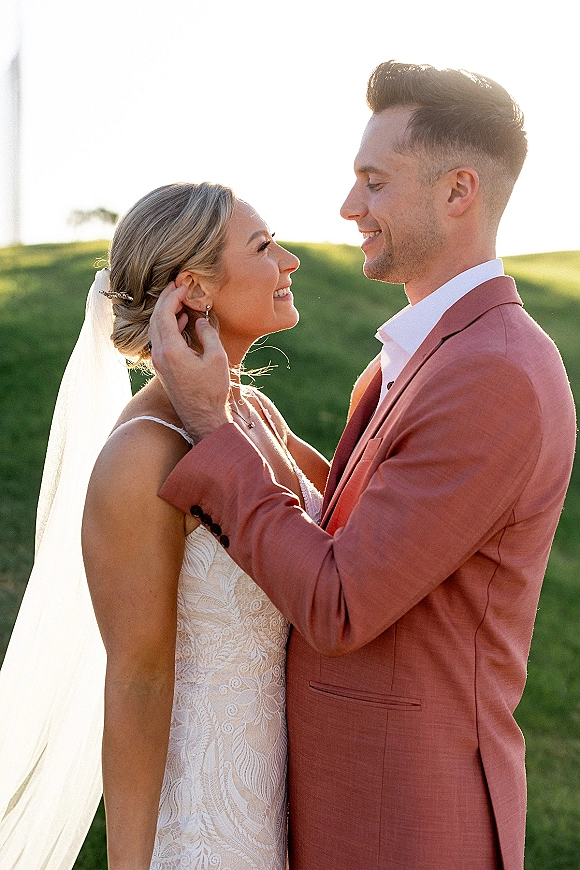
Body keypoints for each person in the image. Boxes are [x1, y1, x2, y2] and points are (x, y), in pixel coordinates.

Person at [148, 62, 577, 870]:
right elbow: (340, 533)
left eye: (373, 183)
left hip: (405, 819)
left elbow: (341, 602)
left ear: (458, 193)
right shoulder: (420, 358)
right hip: (355, 804)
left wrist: (210, 425)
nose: (350, 209)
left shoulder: (495, 373)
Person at [0, 182, 329, 870]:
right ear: (196, 291)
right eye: (265, 247)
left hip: (291, 801)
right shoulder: (141, 456)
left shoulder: (255, 413)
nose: (290, 261)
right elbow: (137, 680)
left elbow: (347, 535)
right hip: (204, 822)